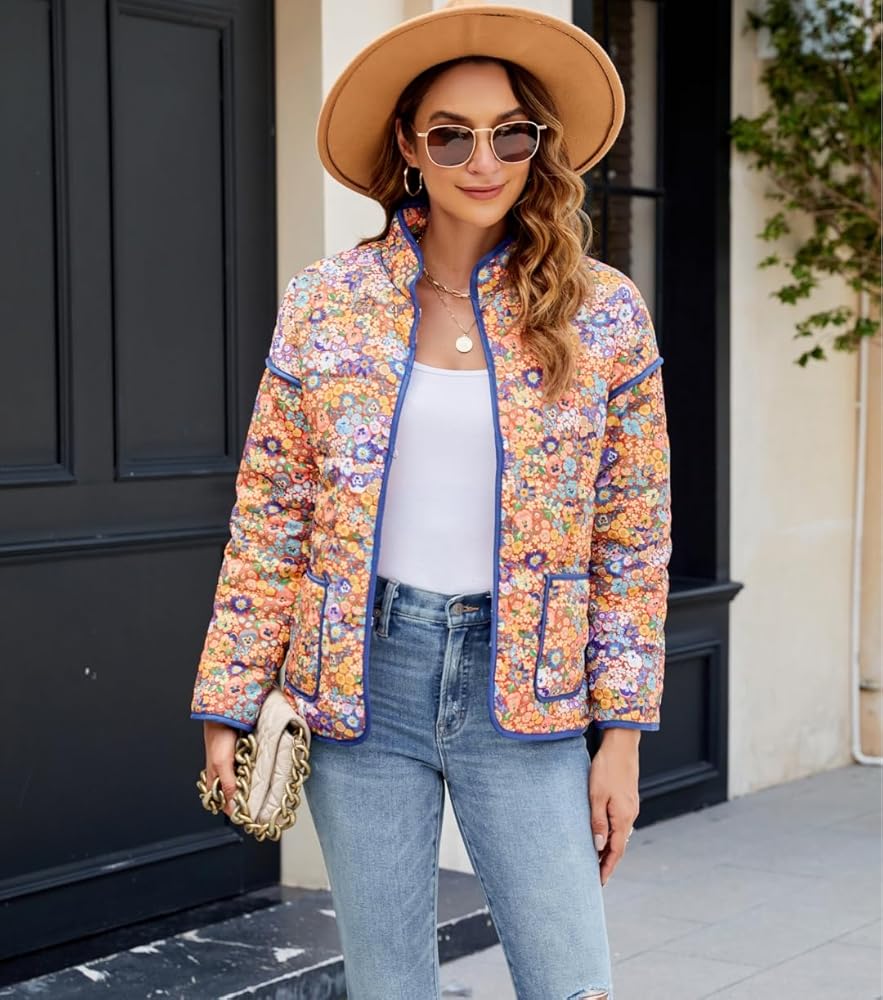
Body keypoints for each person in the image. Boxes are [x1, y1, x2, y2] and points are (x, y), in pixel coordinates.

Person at [190, 3, 672, 998]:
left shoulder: (604, 312)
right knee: (389, 983)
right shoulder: (326, 302)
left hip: (528, 689)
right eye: (450, 134)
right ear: (409, 146)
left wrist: (620, 735)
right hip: (359, 683)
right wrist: (230, 695)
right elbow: (272, 513)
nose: (481, 159)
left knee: (572, 981)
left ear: (538, 145)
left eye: (509, 134)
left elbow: (633, 536)